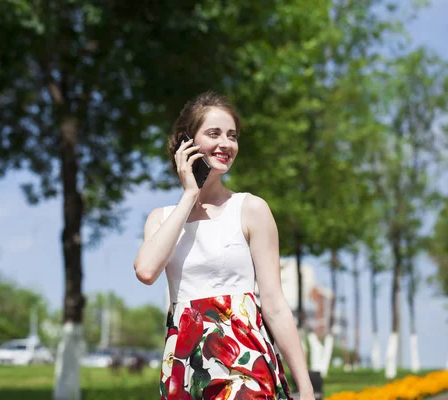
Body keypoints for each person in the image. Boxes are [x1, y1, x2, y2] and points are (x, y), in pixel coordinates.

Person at [134, 92, 315, 400]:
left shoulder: (250, 209)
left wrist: (307, 388)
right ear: (185, 143)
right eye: (214, 133)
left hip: (244, 358)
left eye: (232, 136)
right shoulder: (162, 219)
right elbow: (147, 271)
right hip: (185, 363)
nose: (226, 144)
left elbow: (274, 304)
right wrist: (190, 195)